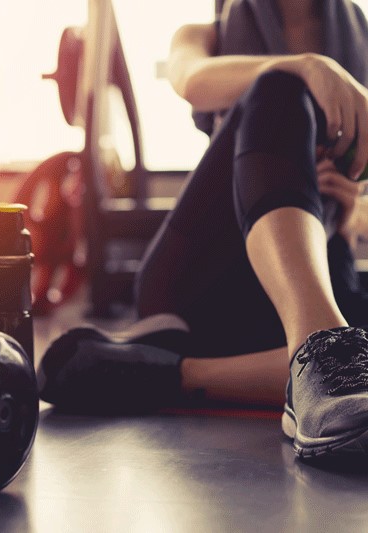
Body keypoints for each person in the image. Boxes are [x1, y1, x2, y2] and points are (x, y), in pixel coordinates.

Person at [37, 0, 368, 459]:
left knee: (355, 355)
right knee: (279, 87)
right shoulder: (202, 35)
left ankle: (181, 374)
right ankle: (324, 351)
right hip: (205, 283)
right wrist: (309, 67)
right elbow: (191, 80)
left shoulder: (362, 36)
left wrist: (351, 210)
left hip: (315, 282)